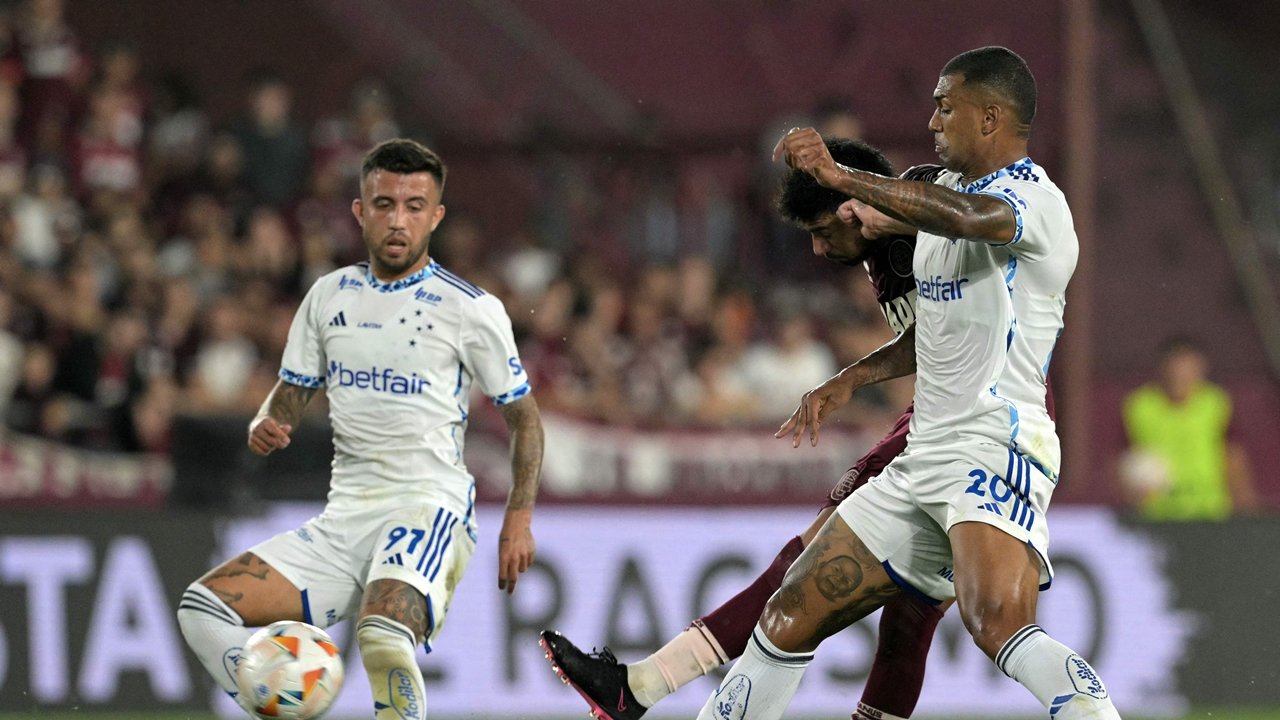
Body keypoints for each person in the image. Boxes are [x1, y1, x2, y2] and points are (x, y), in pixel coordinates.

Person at [695, 46, 1121, 720]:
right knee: (787, 616)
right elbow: (936, 330)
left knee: (996, 624)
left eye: (945, 106)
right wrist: (854, 378)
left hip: (996, 443)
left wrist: (842, 175)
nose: (931, 121)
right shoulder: (943, 196)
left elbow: (971, 221)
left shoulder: (1035, 204)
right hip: (926, 452)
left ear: (990, 117)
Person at [540, 137, 950, 720]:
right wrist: (853, 378)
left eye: (820, 229)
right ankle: (638, 687)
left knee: (877, 598)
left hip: (987, 433)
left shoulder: (928, 214)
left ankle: (639, 688)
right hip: (934, 418)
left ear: (850, 207)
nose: (814, 247)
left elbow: (970, 274)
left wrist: (853, 377)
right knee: (900, 612)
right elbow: (936, 336)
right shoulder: (880, 252)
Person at [176, 138, 545, 720]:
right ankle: (274, 687)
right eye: (384, 204)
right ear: (359, 211)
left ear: (436, 217)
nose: (399, 220)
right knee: (200, 609)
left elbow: (524, 418)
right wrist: (269, 419)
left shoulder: (470, 309)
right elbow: (293, 391)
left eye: (415, 206)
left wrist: (519, 517)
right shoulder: (328, 296)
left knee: (382, 637)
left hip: (428, 507)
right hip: (344, 520)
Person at [1119, 336, 1257, 520]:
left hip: (1209, 511)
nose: (1181, 375)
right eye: (1176, 367)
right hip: (1158, 514)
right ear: (1163, 368)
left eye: (1189, 368)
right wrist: (1131, 492)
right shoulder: (1139, 406)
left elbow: (1232, 454)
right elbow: (1121, 457)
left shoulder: (1216, 403)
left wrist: (1245, 501)